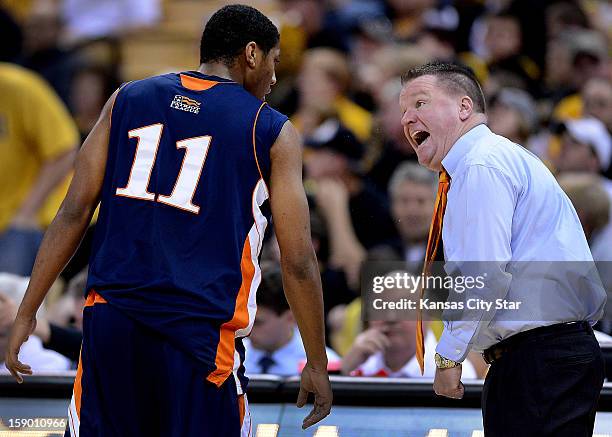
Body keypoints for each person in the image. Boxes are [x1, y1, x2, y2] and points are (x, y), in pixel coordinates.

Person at [5, 5, 332, 437]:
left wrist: (28, 311)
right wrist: (316, 360)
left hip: (113, 323)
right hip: (198, 333)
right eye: (273, 62)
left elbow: (73, 212)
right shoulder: (269, 128)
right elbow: (297, 260)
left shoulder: (126, 98)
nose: (274, 80)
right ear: (251, 54)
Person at [400, 62, 605, 435]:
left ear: (464, 107)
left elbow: (484, 274)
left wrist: (448, 356)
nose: (407, 119)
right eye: (403, 111)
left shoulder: (480, 164)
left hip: (539, 360)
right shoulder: (495, 158)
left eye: (420, 103)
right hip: (545, 356)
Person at [0, 63, 79, 276]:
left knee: (8, 302)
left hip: (21, 224)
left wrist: (27, 211)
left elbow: (63, 149)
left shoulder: (19, 87)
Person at [243, 268, 340, 376]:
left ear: (291, 318)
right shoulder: (230, 359)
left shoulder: (325, 365)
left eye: (257, 323)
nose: (247, 331)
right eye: (246, 322)